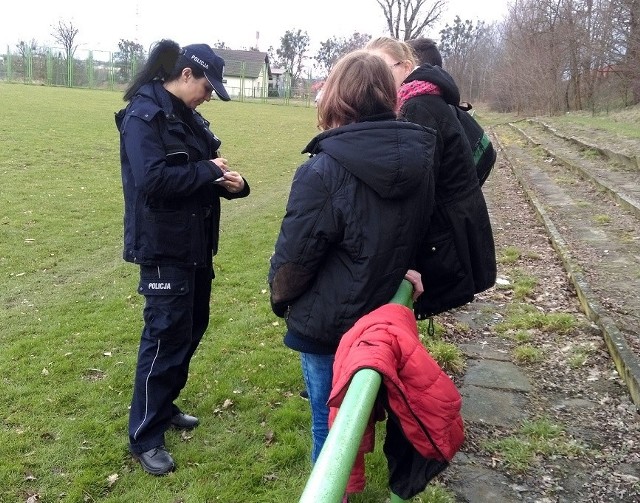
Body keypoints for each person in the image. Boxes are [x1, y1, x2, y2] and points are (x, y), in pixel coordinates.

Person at [268, 49, 437, 497]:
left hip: (330, 327)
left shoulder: (323, 170)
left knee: (330, 423)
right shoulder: (420, 159)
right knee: (357, 412)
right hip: (380, 318)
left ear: (336, 96)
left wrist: (281, 299)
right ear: (389, 96)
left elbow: (294, 260)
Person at [115, 39, 250, 475]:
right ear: (186, 74)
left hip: (195, 243)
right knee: (165, 335)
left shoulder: (188, 117)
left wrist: (234, 183)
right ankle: (145, 436)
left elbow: (201, 168)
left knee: (191, 327)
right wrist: (209, 171)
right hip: (163, 245)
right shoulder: (143, 116)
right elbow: (153, 180)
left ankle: (164, 405)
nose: (209, 96)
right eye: (208, 87)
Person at [366, 37, 496, 321]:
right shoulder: (428, 99)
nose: (375, 79)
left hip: (444, 240)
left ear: (407, 66)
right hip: (452, 231)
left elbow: (416, 189)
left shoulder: (418, 107)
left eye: (383, 69)